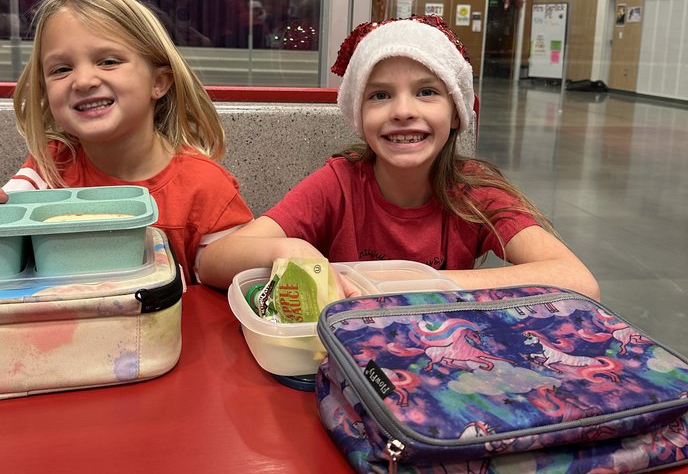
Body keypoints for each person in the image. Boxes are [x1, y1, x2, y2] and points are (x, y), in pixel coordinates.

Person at [200, 15, 600, 298]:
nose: (403, 110)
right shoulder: (339, 184)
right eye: (380, 95)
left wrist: (421, 283)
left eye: (427, 91)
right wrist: (286, 249)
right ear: (359, 116)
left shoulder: (474, 192)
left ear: (456, 112)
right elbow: (215, 261)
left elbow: (578, 280)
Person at [0, 0, 252, 284]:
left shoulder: (206, 186)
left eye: (108, 61)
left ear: (158, 83)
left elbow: (234, 281)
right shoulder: (49, 167)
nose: (83, 81)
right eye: (61, 69)